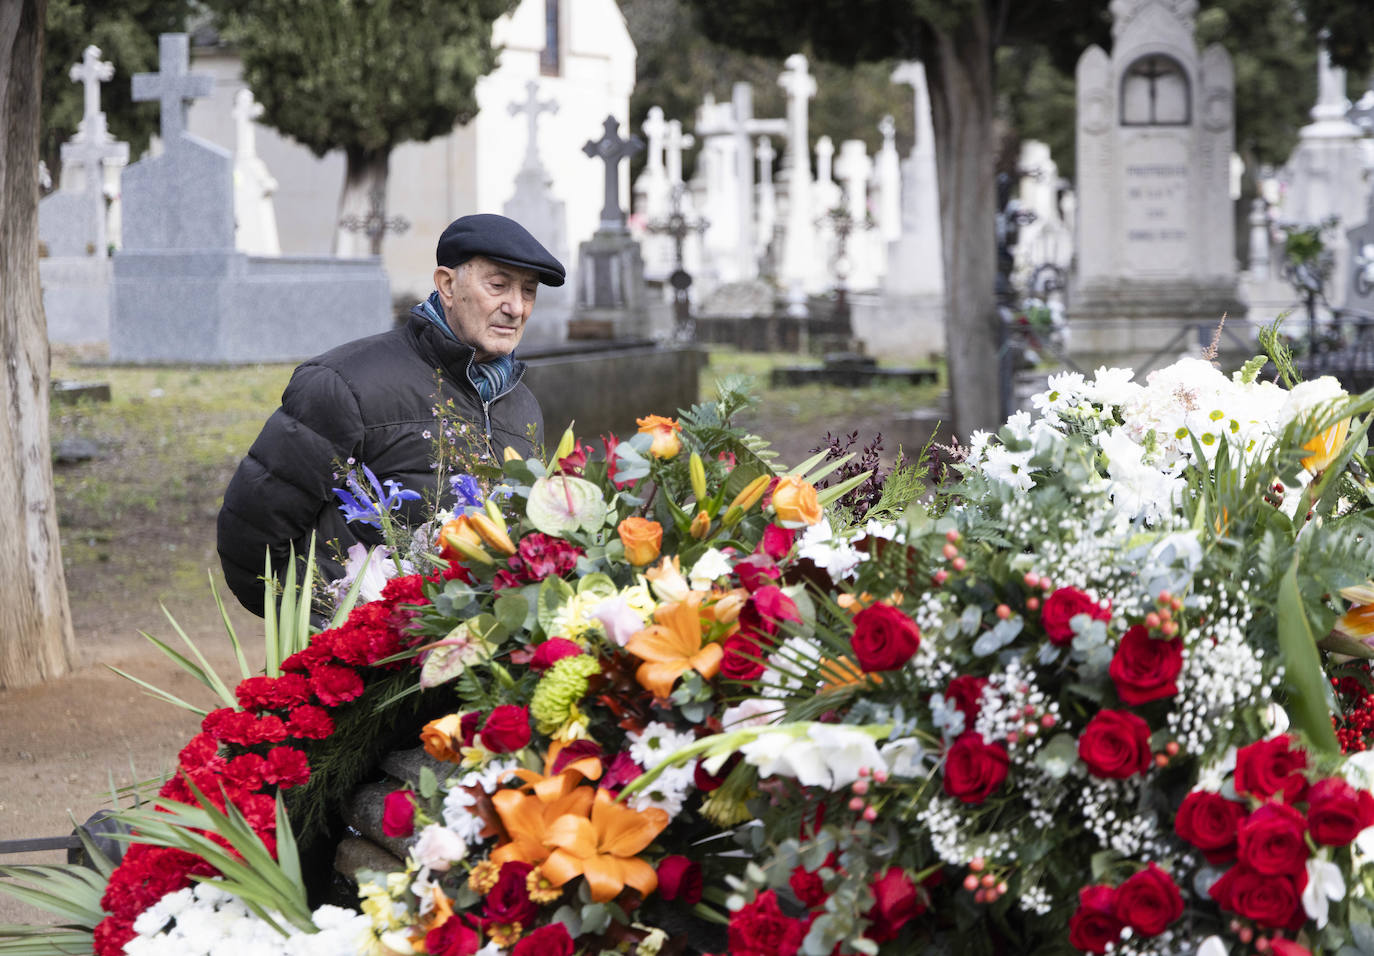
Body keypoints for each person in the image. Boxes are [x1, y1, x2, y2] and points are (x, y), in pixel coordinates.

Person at [217, 213, 564, 616]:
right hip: (362, 654)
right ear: (447, 285)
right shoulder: (345, 383)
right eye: (498, 285)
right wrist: (322, 625)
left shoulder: (522, 405)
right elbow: (252, 536)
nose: (516, 307)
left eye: (529, 291)